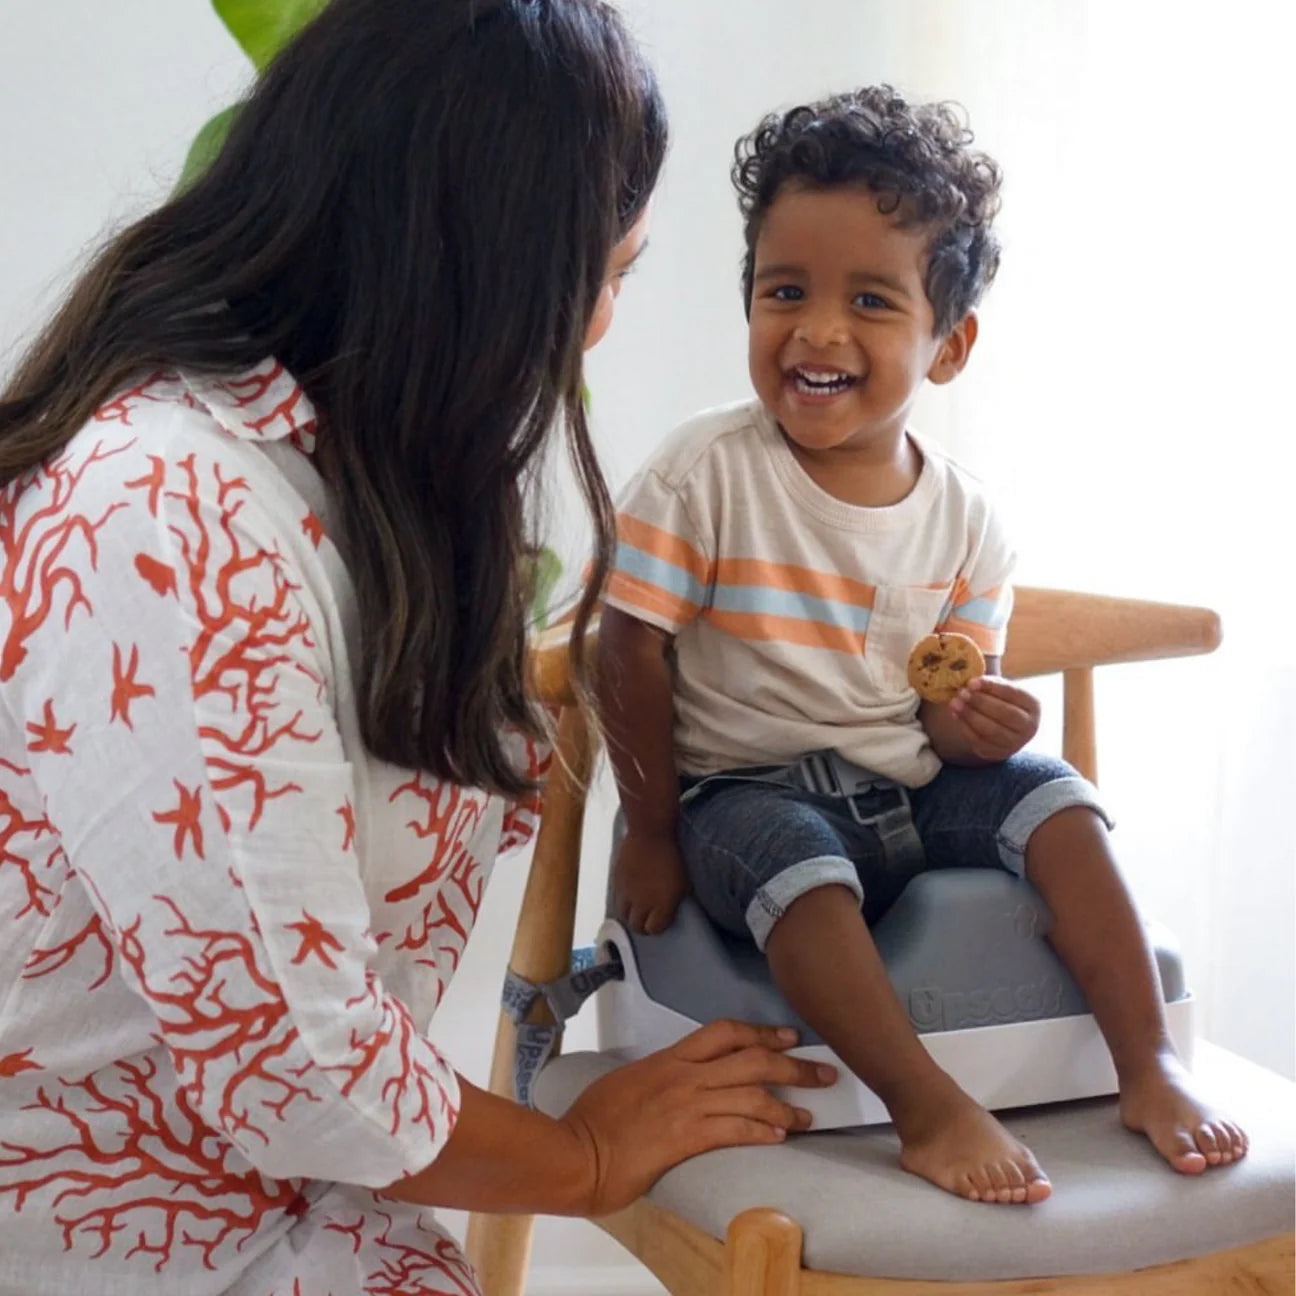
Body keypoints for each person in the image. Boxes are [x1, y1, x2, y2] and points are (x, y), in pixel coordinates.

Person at [0, 2, 837, 1292]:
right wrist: (583, 1158)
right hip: (109, 1234)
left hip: (268, 1193)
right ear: (481, 267)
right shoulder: (168, 511)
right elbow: (289, 1058)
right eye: (606, 275)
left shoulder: (355, 471)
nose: (597, 326)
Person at [598, 84, 1248, 1207]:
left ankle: (1149, 1066)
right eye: (785, 291)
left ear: (949, 347)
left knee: (1057, 797)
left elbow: (943, 712)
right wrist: (651, 832)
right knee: (800, 866)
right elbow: (625, 654)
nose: (818, 330)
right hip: (740, 797)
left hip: (905, 786)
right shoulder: (700, 476)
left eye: (870, 300)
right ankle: (925, 1104)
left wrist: (979, 723)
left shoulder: (970, 520)